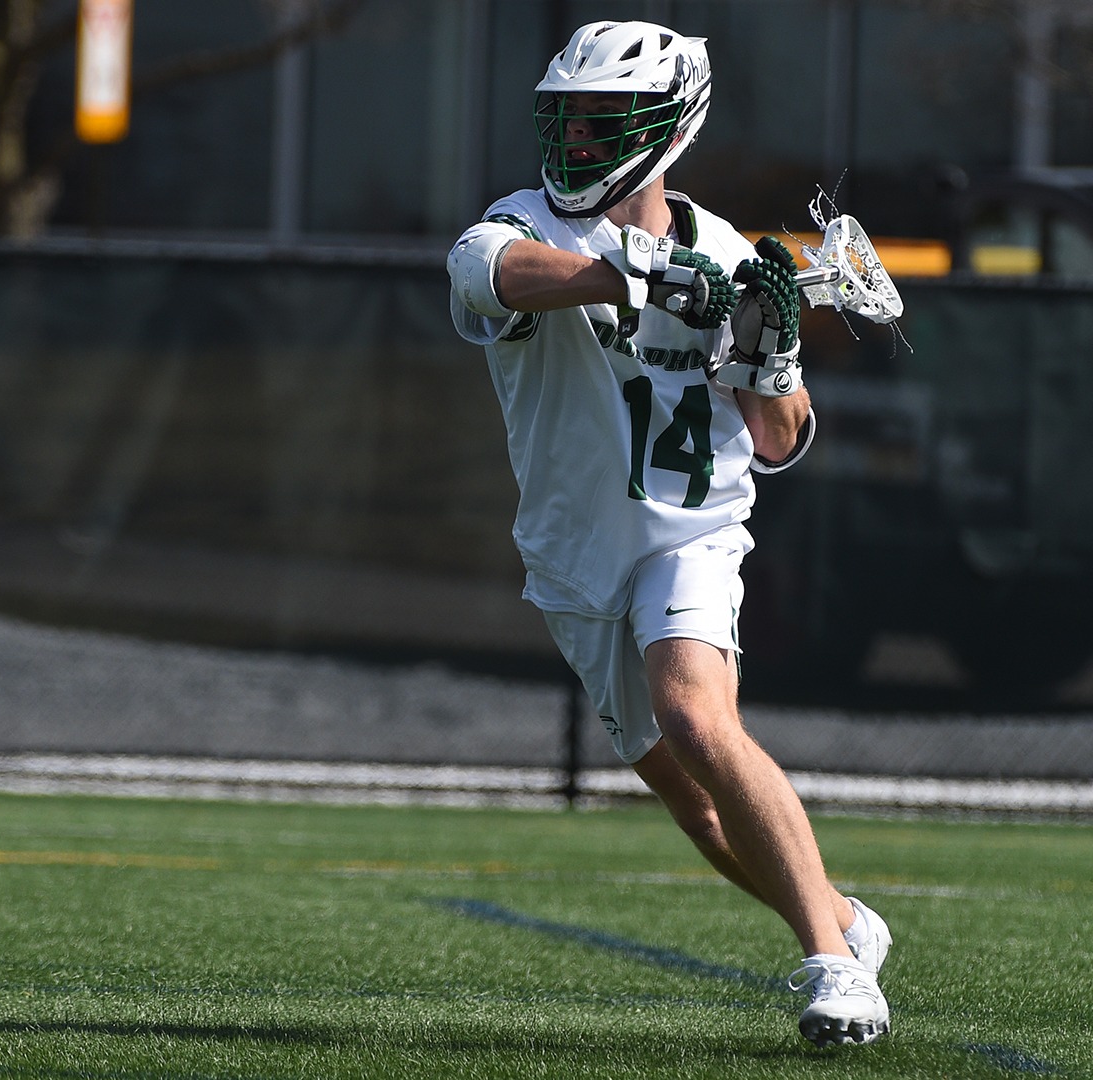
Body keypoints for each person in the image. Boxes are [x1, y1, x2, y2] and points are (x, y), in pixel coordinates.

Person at [445, 20, 892, 1049]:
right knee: (695, 810)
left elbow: (777, 443)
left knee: (697, 717)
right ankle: (843, 920)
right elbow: (502, 274)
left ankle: (833, 972)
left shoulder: (732, 253)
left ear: (667, 129)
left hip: (693, 531)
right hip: (573, 558)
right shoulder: (514, 223)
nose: (580, 145)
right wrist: (636, 280)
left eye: (606, 124)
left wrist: (773, 358)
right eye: (568, 121)